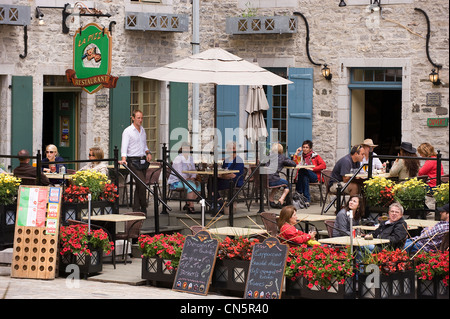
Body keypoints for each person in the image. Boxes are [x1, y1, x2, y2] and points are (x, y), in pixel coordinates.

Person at [119, 109, 152, 215]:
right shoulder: (128, 131)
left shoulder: (143, 130)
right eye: (138, 118)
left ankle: (136, 209)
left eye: (142, 118)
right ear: (133, 118)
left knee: (139, 185)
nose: (140, 120)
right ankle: (143, 207)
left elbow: (144, 145)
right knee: (142, 184)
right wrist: (124, 159)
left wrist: (148, 152)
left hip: (142, 160)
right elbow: (124, 146)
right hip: (133, 160)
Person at [167, 142, 201, 214]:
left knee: (199, 186)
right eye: (185, 148)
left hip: (188, 180)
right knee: (192, 186)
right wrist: (189, 179)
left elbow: (193, 170)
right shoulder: (178, 159)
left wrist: (193, 178)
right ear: (181, 149)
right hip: (176, 181)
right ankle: (191, 206)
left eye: (188, 148)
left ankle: (188, 203)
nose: (187, 150)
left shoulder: (190, 158)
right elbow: (179, 173)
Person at [293, 140, 326, 206]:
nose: (305, 149)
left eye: (306, 147)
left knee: (303, 170)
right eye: (303, 147)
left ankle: (298, 192)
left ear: (310, 149)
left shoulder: (315, 156)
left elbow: (323, 165)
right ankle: (307, 200)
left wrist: (313, 169)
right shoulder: (301, 157)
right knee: (305, 178)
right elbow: (294, 164)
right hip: (305, 175)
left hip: (314, 176)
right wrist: (296, 153)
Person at [268, 143, 296, 208]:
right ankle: (282, 199)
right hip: (273, 180)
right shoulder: (281, 157)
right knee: (288, 184)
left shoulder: (268, 156)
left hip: (265, 181)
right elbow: (293, 164)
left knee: (279, 182)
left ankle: (270, 199)